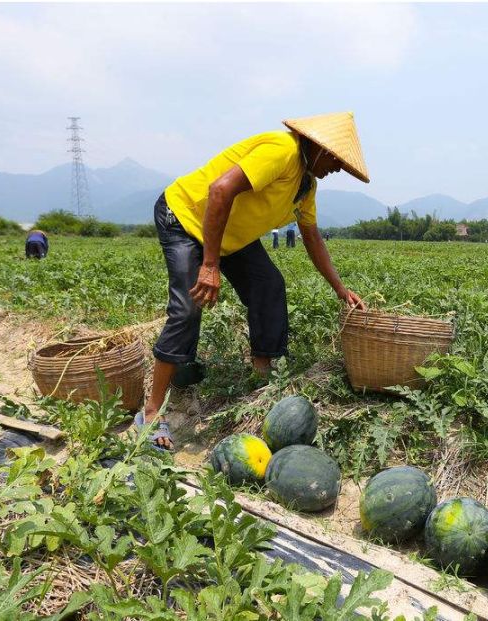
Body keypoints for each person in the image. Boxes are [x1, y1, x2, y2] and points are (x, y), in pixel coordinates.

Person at [138, 111, 369, 451]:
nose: (337, 168)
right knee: (188, 305)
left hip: (229, 231)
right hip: (186, 217)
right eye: (336, 160)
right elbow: (219, 191)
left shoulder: (307, 184)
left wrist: (339, 288)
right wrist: (210, 264)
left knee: (268, 285)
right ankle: (153, 410)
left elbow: (312, 237)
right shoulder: (282, 150)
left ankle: (261, 376)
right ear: (319, 147)